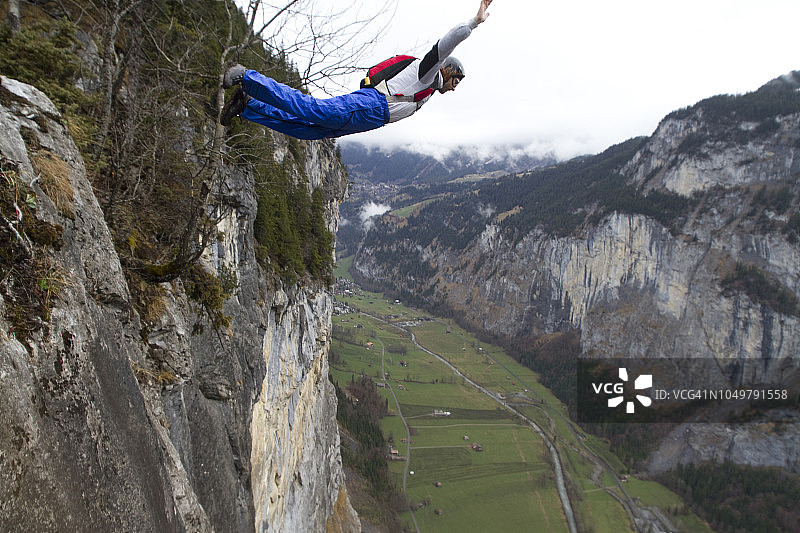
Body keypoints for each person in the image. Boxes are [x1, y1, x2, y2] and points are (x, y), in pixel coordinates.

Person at [220, 0, 494, 140]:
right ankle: (248, 78)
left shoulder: (429, 90)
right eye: (456, 79)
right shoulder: (428, 71)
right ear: (447, 70)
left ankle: (248, 106)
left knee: (308, 130)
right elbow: (444, 44)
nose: (455, 87)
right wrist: (474, 22)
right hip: (372, 106)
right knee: (314, 110)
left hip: (371, 119)